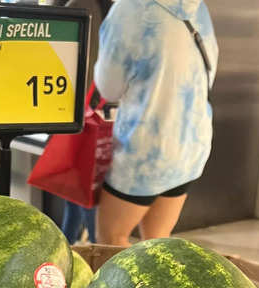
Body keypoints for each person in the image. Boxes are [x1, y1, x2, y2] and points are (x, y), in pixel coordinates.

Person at [94, 0, 218, 246]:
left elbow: (108, 87)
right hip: (190, 145)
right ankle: (155, 286)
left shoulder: (130, 9)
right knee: (158, 243)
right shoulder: (196, 5)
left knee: (111, 239)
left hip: (145, 154)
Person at [59, 0, 112, 244]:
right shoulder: (106, 7)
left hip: (79, 110)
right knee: (80, 191)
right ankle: (74, 244)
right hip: (96, 109)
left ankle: (87, 248)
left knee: (82, 192)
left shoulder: (77, 5)